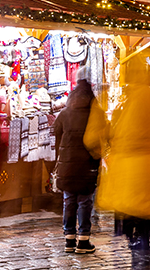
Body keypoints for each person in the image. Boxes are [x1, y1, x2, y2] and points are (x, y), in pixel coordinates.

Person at [88, 57, 150, 270]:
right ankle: (145, 255)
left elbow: (112, 134)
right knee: (145, 225)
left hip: (130, 173)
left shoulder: (128, 102)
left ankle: (140, 259)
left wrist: (104, 129)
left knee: (133, 226)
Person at [52, 67, 101, 254]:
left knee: (69, 200)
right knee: (85, 201)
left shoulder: (65, 113)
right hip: (87, 163)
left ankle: (69, 240)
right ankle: (83, 240)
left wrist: (62, 154)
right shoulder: (95, 113)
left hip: (67, 163)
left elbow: (55, 134)